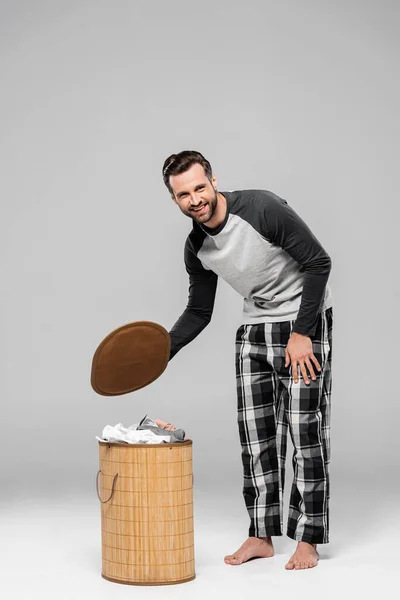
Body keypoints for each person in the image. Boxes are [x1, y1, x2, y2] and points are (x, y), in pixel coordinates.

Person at [162, 150, 333, 571]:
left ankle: (308, 540)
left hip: (302, 323)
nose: (195, 199)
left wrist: (302, 333)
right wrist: (160, 352)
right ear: (175, 200)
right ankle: (261, 536)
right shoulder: (196, 246)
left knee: (304, 434)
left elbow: (319, 262)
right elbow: (199, 312)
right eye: (184, 195)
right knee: (256, 439)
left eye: (200, 187)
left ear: (214, 181)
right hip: (254, 329)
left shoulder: (261, 208)